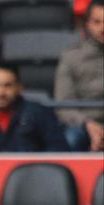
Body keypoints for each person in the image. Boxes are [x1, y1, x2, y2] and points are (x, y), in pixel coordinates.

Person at [0, 62, 70, 152]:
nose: (1, 93)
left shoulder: (38, 113)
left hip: (31, 174)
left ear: (19, 87)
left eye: (8, 85)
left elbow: (59, 150)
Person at [55, 0, 104, 152]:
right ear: (87, 24)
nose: (102, 28)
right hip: (83, 124)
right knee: (71, 138)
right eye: (97, 22)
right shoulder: (71, 57)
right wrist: (88, 124)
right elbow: (63, 105)